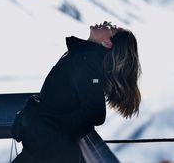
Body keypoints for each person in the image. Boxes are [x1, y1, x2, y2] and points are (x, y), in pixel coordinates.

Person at [11, 20, 142, 163]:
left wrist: (49, 128)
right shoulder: (83, 55)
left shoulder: (88, 60)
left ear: (108, 43)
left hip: (49, 151)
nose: (105, 23)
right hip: (44, 148)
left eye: (111, 27)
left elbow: (95, 114)